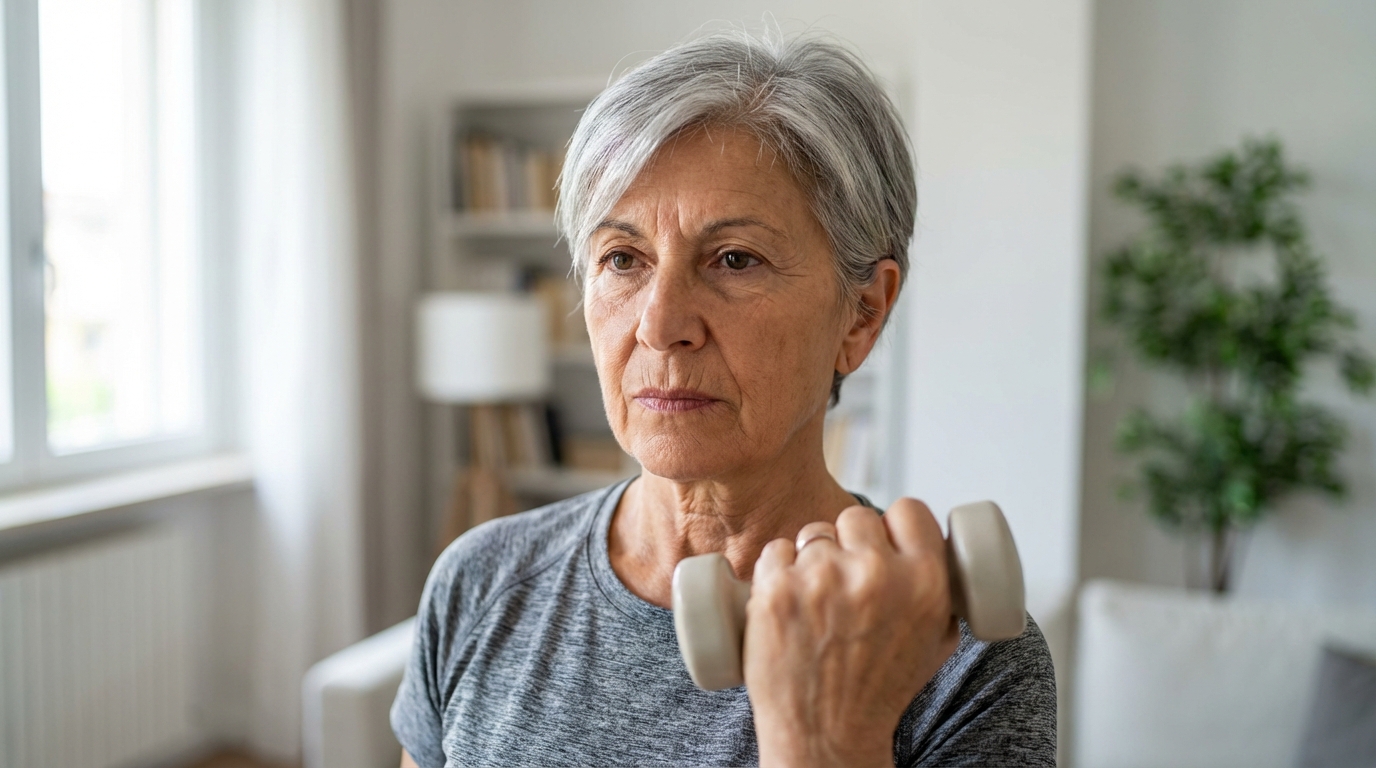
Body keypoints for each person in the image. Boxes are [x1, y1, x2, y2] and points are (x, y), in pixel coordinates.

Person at [392, 29, 1056, 768]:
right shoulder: (480, 580)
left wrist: (825, 739)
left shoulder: (966, 659)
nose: (660, 324)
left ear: (862, 312)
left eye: (734, 259)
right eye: (622, 259)